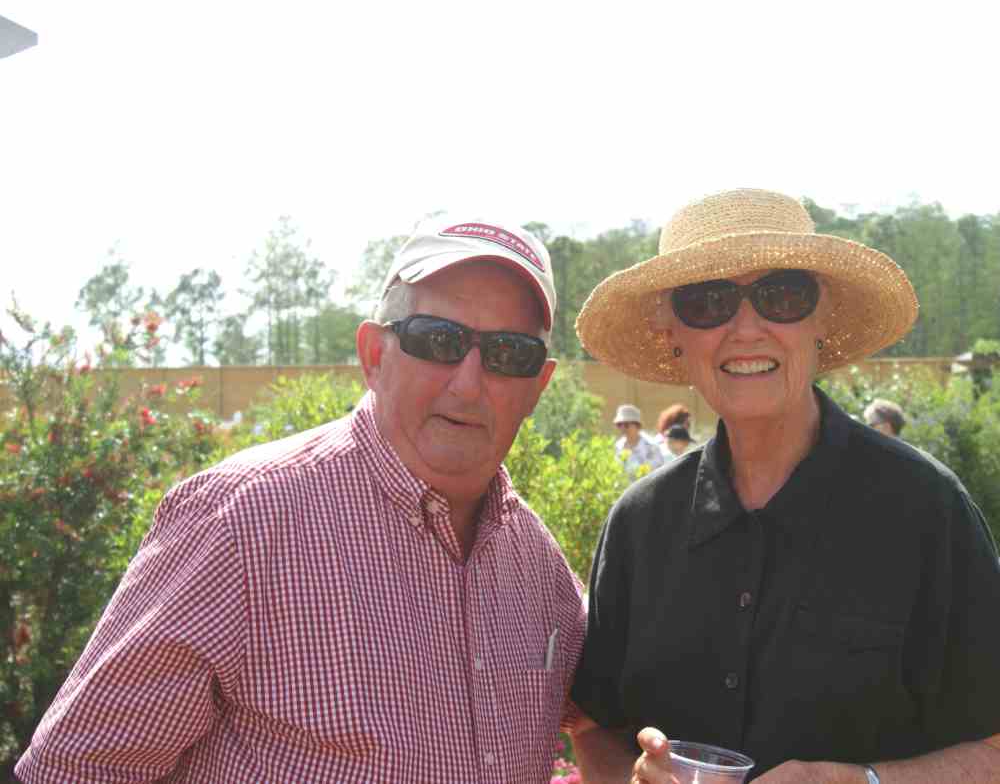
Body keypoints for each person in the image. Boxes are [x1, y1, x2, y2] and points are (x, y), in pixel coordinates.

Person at [16, 217, 587, 783]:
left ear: (538, 386)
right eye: (438, 340)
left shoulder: (537, 565)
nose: (467, 382)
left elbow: (606, 715)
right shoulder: (243, 522)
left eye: (509, 354)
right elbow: (77, 771)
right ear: (374, 355)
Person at [569, 189, 1000, 783]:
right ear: (672, 331)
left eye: (782, 295)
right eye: (707, 302)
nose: (746, 329)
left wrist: (862, 782)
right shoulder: (639, 526)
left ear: (822, 316)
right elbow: (596, 729)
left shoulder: (922, 510)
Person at [612, 403, 665, 479]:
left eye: (626, 425)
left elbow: (658, 469)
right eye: (619, 425)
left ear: (637, 425)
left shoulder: (651, 445)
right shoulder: (618, 446)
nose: (622, 428)